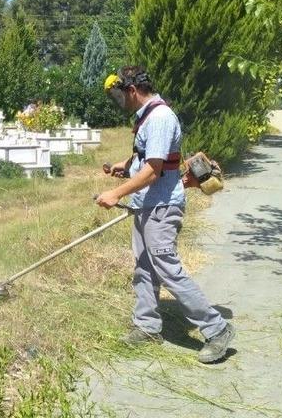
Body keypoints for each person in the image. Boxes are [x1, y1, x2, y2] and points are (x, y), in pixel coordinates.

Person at [95, 65, 235, 364]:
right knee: (144, 267)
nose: (120, 103)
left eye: (121, 96)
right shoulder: (148, 116)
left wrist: (115, 194)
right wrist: (126, 165)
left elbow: (154, 170)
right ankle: (147, 327)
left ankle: (217, 329)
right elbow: (149, 158)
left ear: (133, 90)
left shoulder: (158, 118)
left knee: (167, 269)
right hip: (147, 204)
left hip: (161, 206)